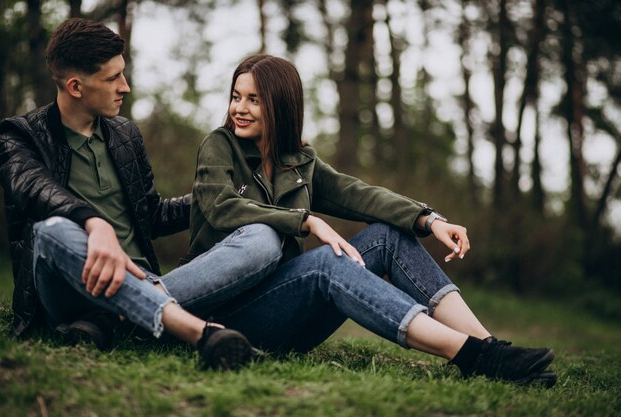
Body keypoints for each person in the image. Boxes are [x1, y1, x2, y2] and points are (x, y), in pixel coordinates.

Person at [186, 53, 557, 386]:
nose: (240, 108)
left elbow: (360, 195)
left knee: (386, 236)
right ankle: (468, 353)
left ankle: (489, 348)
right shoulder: (220, 146)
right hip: (227, 319)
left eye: (254, 99)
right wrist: (306, 221)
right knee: (328, 263)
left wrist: (429, 220)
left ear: (281, 106)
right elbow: (221, 207)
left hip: (288, 315)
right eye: (237, 96)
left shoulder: (298, 162)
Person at [0, 19, 283, 371]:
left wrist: (219, 196)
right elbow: (36, 191)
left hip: (146, 280)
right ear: (75, 86)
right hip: (70, 289)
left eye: (123, 74)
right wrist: (93, 223)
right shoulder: (18, 137)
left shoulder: (124, 134)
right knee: (52, 229)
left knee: (262, 237)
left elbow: (154, 215)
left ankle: (114, 320)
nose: (125, 87)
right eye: (112, 78)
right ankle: (197, 332)